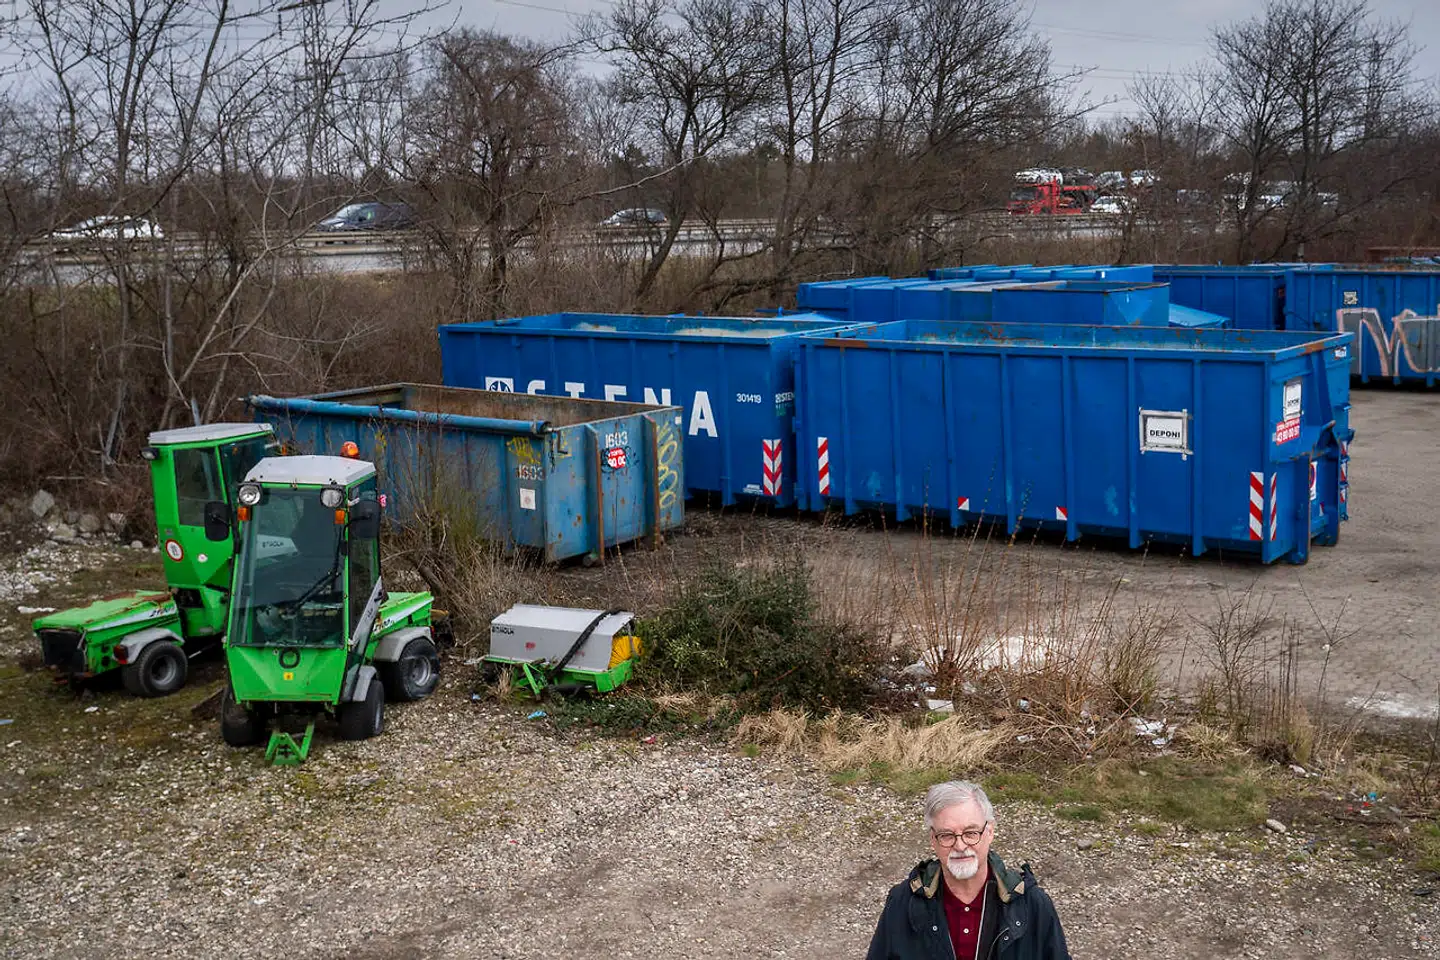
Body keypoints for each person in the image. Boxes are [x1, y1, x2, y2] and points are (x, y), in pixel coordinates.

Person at [867, 780, 1071, 960]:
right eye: (947, 835)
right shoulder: (903, 903)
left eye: (971, 833)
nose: (960, 846)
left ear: (989, 832)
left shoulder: (1032, 904)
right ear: (933, 840)